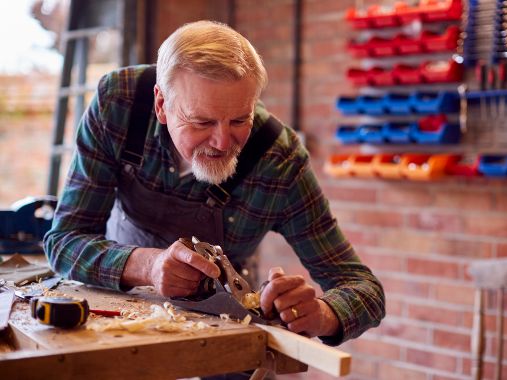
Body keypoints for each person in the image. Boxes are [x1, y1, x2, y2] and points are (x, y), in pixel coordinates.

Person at [44, 20, 385, 348]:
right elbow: (63, 241)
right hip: (120, 322)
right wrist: (149, 266)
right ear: (162, 104)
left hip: (222, 334)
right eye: (202, 121)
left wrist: (321, 314)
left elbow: (363, 288)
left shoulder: (279, 160)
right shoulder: (119, 104)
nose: (223, 142)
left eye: (240, 119)